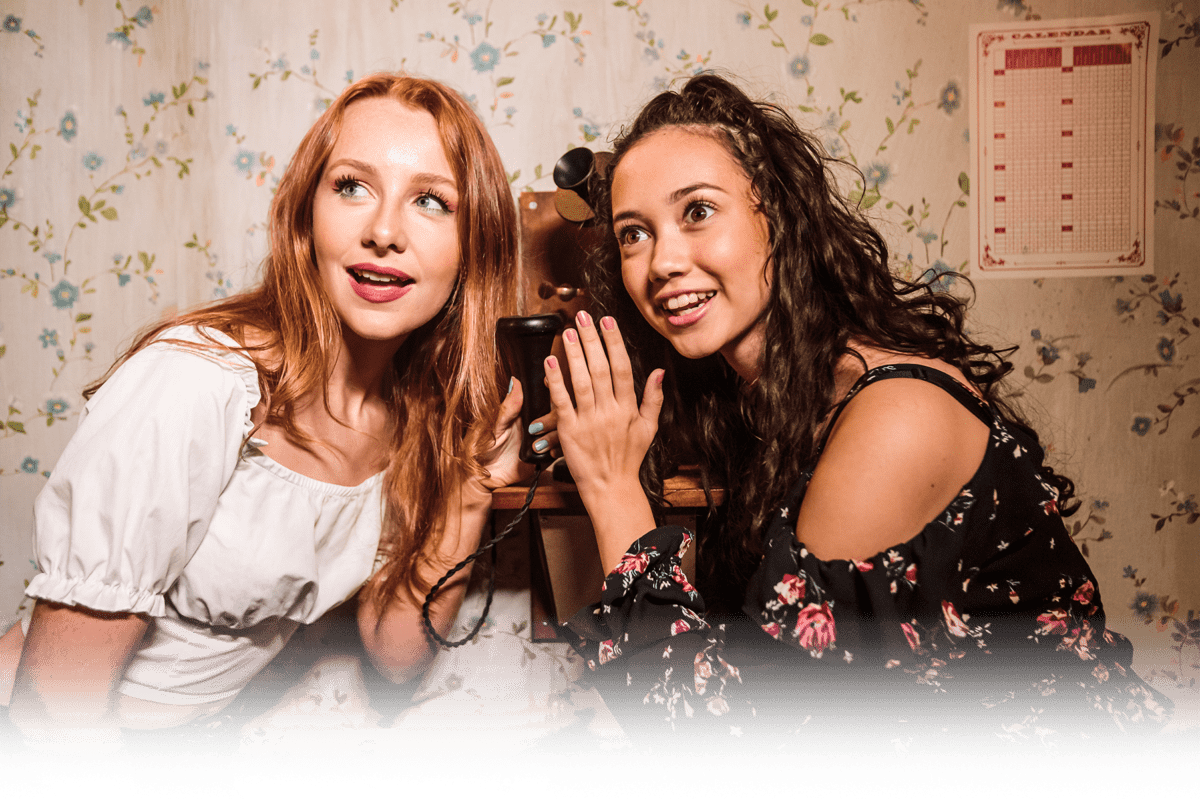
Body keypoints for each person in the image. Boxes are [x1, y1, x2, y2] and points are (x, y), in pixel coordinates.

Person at [535, 73, 1174, 751]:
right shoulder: (768, 399)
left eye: (697, 211)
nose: (661, 261)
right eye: (634, 234)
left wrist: (611, 488)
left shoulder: (894, 417)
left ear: (777, 215)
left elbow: (723, 750)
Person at [0, 72, 525, 752]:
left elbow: (395, 651)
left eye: (430, 200)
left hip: (189, 740)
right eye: (352, 186)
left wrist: (470, 489)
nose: (385, 230)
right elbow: (56, 707)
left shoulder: (412, 418)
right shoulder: (197, 379)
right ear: (307, 215)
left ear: (473, 245)